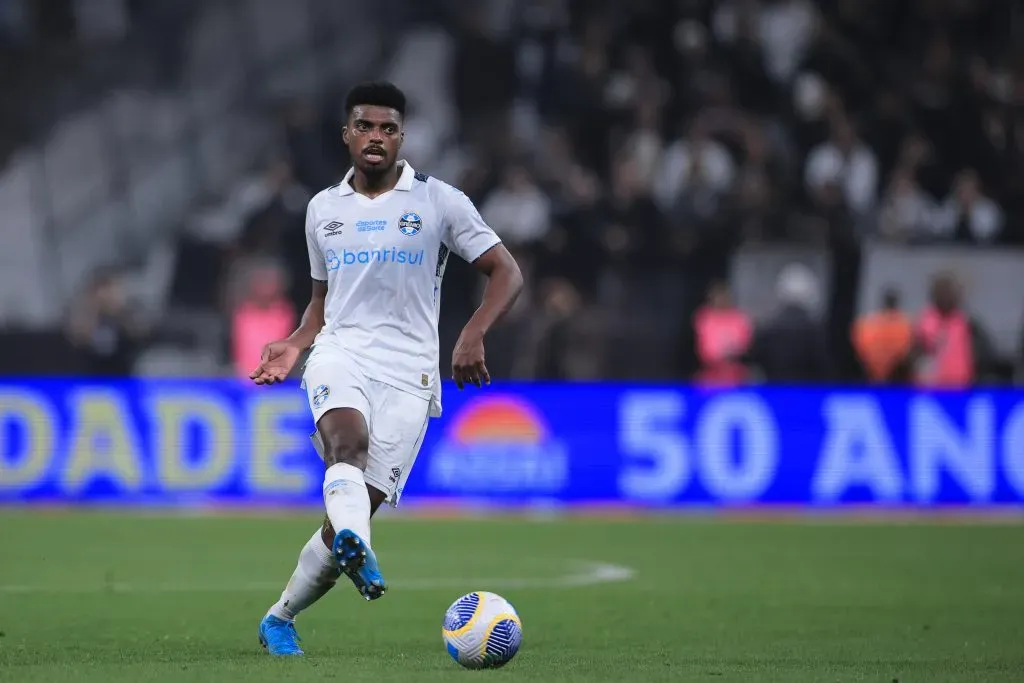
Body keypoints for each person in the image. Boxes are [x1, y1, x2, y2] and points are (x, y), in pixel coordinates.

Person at [249, 82, 523, 656]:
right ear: (348, 133)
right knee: (344, 445)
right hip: (341, 352)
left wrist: (472, 332)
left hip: (410, 373)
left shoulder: (438, 201)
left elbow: (506, 272)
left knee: (351, 509)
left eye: (389, 128)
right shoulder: (323, 209)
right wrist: (298, 343)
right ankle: (356, 540)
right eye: (366, 126)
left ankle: (280, 615)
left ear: (402, 137)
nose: (377, 137)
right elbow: (323, 302)